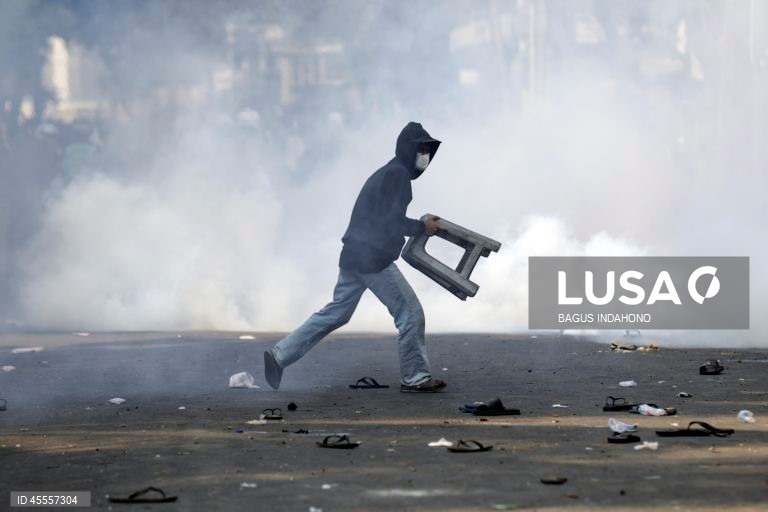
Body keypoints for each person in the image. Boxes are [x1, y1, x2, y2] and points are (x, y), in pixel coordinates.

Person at [264, 121, 447, 393]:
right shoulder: (396, 175)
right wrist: (423, 228)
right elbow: (391, 222)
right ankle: (416, 378)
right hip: (373, 258)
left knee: (336, 312)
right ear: (408, 150)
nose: (424, 156)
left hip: (354, 254)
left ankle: (280, 356)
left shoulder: (388, 172)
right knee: (410, 313)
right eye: (420, 149)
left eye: (426, 151)